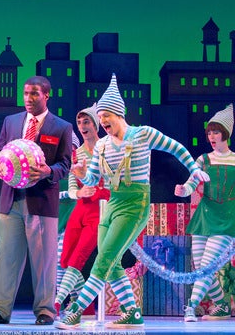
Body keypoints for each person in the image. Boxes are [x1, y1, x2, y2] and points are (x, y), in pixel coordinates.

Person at [57, 74, 209, 330]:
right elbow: (92, 179)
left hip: (135, 205)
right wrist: (81, 174)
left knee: (103, 260)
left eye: (107, 115)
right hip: (111, 205)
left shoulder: (142, 135)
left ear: (119, 114)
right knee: (112, 263)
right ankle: (132, 313)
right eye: (100, 117)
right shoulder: (103, 145)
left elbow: (177, 148)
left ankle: (76, 310)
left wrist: (194, 170)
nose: (103, 121)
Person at [0, 75, 73, 326]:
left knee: (44, 261)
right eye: (25, 93)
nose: (28, 98)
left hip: (41, 202)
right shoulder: (11, 121)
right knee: (6, 258)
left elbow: (65, 164)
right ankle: (1, 310)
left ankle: (45, 310)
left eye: (34, 93)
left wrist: (48, 171)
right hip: (11, 200)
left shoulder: (61, 127)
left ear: (46, 96)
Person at [175, 103, 235, 322]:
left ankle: (190, 307)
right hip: (204, 216)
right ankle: (222, 304)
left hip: (227, 218)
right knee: (201, 267)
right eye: (209, 133)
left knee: (207, 266)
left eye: (216, 132)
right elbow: (192, 182)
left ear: (226, 133)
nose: (212, 137)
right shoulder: (203, 159)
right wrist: (183, 190)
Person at [54, 104, 110, 319]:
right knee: (65, 258)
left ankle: (57, 302)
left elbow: (114, 183)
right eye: (79, 122)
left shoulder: (107, 149)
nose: (82, 126)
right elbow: (71, 185)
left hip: (100, 210)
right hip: (80, 210)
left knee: (78, 258)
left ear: (96, 125)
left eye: (86, 122)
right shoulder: (76, 155)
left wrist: (95, 188)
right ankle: (81, 305)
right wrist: (79, 192)